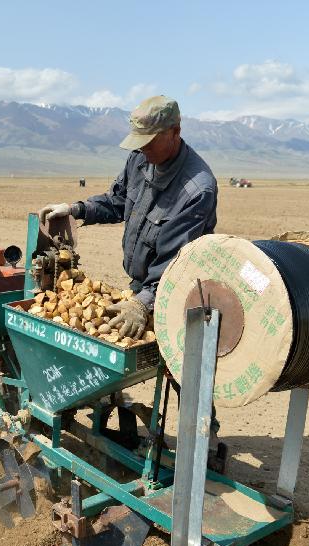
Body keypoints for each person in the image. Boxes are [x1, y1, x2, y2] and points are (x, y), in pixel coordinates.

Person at [39, 95, 225, 470]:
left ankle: (206, 444)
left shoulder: (196, 189)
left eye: (150, 140)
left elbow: (175, 263)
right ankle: (111, 421)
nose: (142, 149)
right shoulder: (141, 158)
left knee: (184, 366)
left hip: (178, 289)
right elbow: (117, 201)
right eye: (138, 141)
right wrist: (76, 209)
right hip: (141, 282)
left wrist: (144, 302)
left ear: (175, 131)